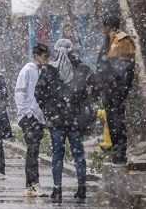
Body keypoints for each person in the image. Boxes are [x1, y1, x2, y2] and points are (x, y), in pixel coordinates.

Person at [36, 39, 92, 202]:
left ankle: (57, 189)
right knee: (78, 154)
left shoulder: (49, 69)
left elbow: (38, 93)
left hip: (56, 121)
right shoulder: (81, 68)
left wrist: (49, 109)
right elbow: (93, 89)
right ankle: (82, 188)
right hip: (74, 120)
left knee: (57, 154)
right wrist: (83, 109)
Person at [96, 15, 136, 166]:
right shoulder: (109, 40)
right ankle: (116, 153)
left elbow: (126, 70)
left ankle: (120, 153)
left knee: (117, 121)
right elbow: (103, 65)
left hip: (116, 91)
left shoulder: (123, 41)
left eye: (103, 27)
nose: (102, 30)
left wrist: (119, 91)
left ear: (108, 26)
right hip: (108, 90)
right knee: (112, 121)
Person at [15, 43, 49, 197]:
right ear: (36, 56)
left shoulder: (43, 71)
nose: (46, 60)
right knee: (32, 150)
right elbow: (19, 93)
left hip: (38, 117)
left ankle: (32, 184)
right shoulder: (27, 70)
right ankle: (32, 184)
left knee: (34, 151)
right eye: (44, 57)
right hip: (29, 117)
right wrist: (27, 113)